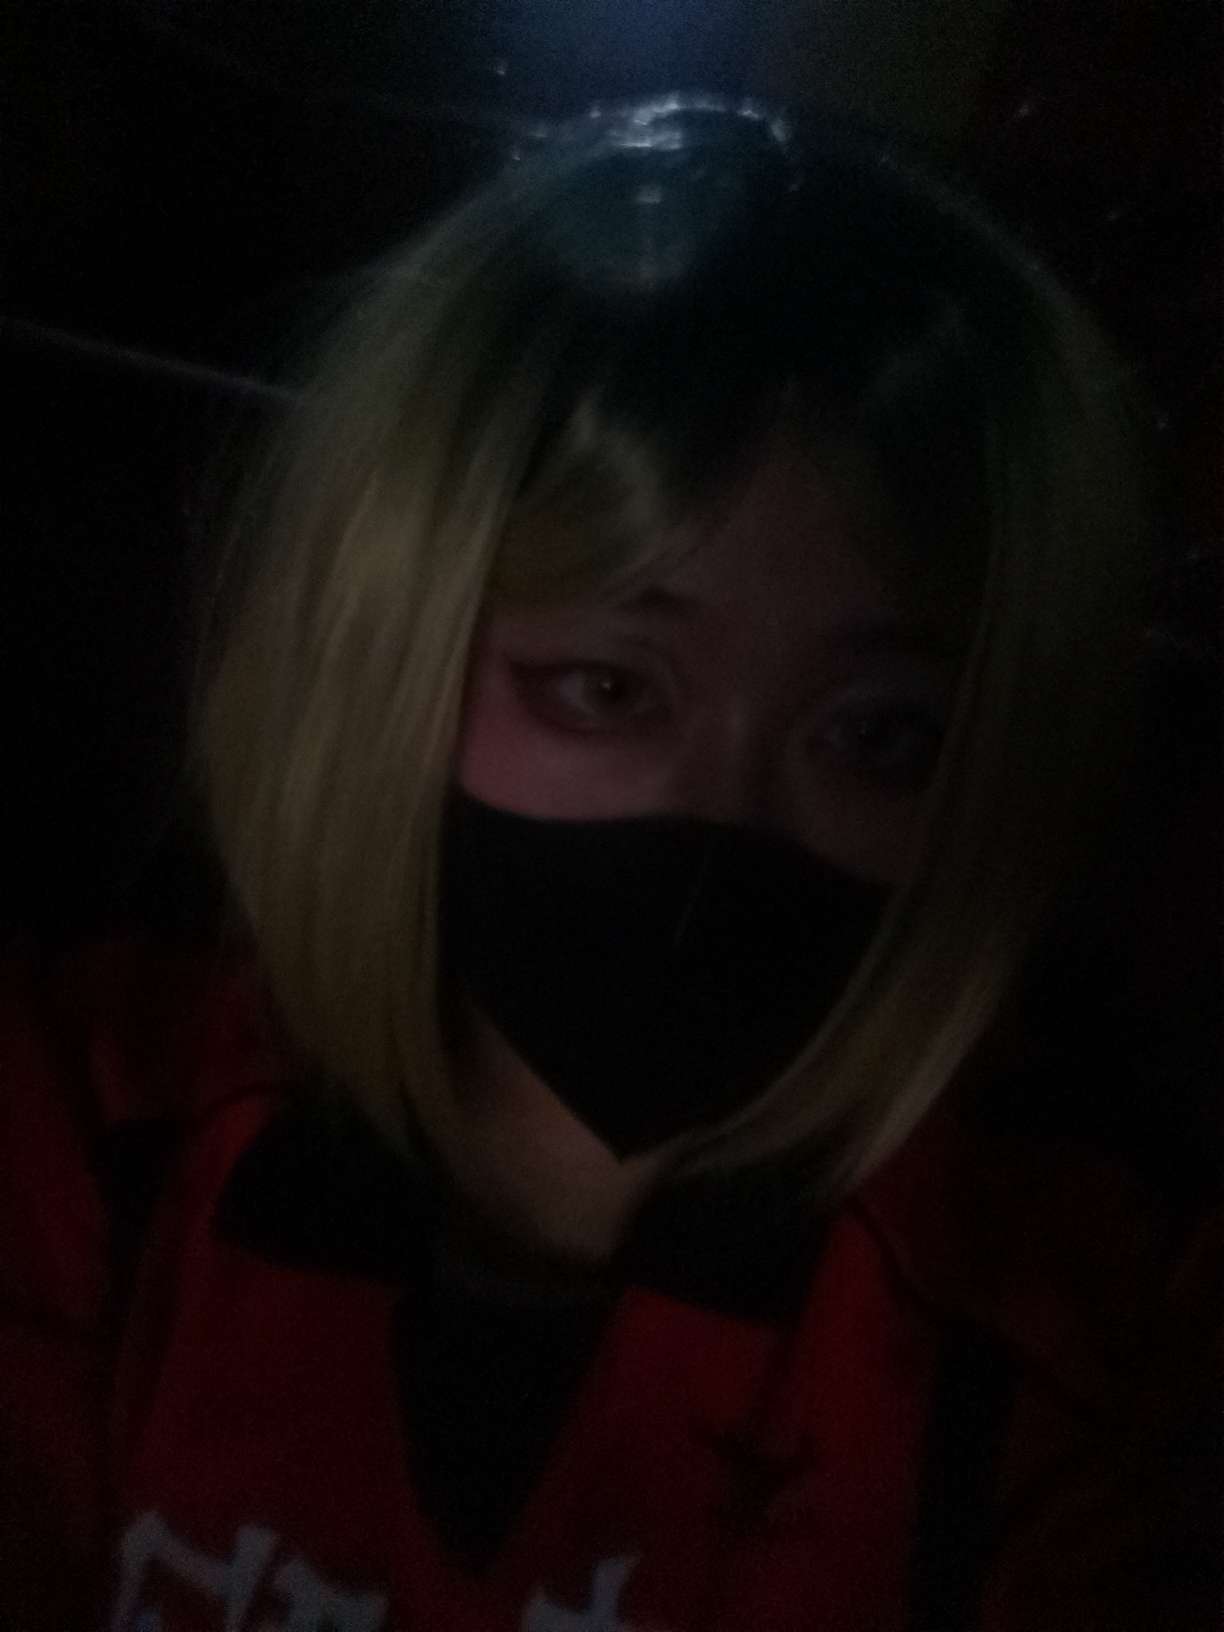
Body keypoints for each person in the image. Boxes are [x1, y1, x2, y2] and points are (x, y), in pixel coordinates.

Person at [0, 97, 1216, 1632]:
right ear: (393, 658)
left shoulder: (1070, 1322)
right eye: (608, 687)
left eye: (878, 735)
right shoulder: (86, 1117)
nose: (727, 818)